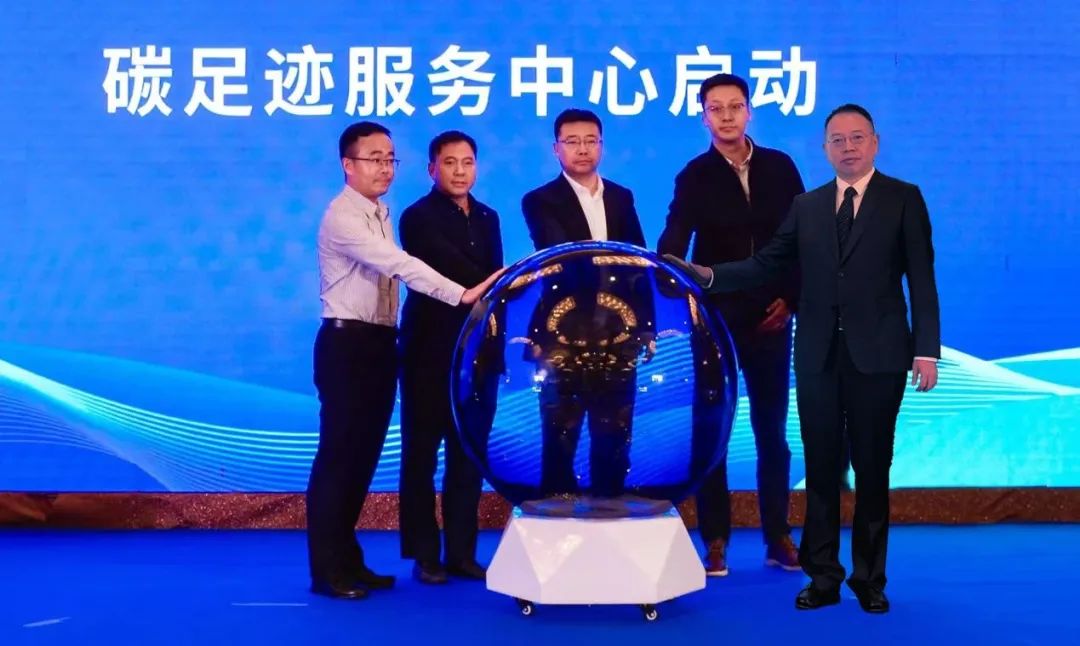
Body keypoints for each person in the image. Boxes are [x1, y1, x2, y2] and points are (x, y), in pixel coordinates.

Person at [666, 104, 940, 613]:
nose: (848, 147)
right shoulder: (808, 206)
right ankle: (823, 576)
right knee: (820, 467)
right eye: (837, 140)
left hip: (880, 356)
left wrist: (926, 349)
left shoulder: (903, 198)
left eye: (857, 138)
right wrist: (711, 276)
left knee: (872, 470)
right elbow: (766, 263)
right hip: (817, 355)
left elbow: (921, 278)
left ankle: (869, 579)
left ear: (875, 143)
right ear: (825, 149)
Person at [307, 121, 502, 600]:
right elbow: (401, 266)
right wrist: (464, 294)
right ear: (347, 164)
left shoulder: (380, 212)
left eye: (389, 159)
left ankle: (348, 559)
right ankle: (327, 570)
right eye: (373, 159)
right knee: (339, 457)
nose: (385, 168)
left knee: (362, 459)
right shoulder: (344, 216)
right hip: (348, 345)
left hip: (378, 343)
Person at [657, 73, 805, 577]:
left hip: (771, 316)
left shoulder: (780, 167)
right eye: (715, 108)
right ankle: (715, 540)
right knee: (713, 430)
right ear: (703, 117)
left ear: (749, 112)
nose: (726, 116)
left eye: (734, 106)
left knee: (772, 431)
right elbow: (675, 239)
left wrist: (791, 298)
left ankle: (778, 535)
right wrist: (672, 275)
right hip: (715, 321)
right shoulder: (694, 175)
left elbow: (804, 239)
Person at [521, 108, 654, 498]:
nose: (583, 149)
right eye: (573, 141)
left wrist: (646, 325)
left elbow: (637, 263)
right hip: (563, 330)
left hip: (618, 331)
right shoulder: (540, 200)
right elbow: (562, 255)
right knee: (560, 432)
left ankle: (608, 509)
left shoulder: (621, 197)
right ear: (556, 149)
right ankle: (556, 515)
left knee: (615, 431)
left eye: (591, 141)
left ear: (602, 146)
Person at [398, 131, 503, 585]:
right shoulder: (416, 217)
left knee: (468, 455)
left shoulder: (489, 216)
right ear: (432, 169)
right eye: (449, 162)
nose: (460, 171)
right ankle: (425, 554)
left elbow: (492, 287)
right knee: (420, 455)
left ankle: (461, 553)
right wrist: (499, 278)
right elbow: (454, 273)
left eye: (467, 162)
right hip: (427, 350)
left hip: (476, 351)